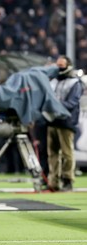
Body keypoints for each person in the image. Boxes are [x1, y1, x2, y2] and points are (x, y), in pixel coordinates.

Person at [47, 56, 83, 192]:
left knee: (67, 153)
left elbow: (72, 103)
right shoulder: (53, 81)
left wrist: (54, 105)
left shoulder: (75, 83)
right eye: (58, 65)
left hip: (66, 122)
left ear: (69, 65)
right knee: (53, 153)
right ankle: (54, 181)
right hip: (52, 121)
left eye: (62, 65)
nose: (59, 68)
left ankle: (68, 180)